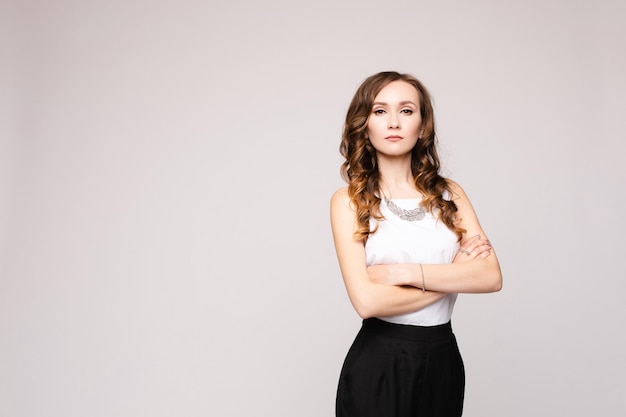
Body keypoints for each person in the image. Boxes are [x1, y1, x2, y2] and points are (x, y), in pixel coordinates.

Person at [330, 71, 502, 417]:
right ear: (365, 124)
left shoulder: (449, 194)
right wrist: (452, 276)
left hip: (442, 359)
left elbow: (489, 277)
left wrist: (403, 273)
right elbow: (366, 302)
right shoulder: (348, 200)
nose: (393, 122)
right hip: (379, 362)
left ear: (423, 126)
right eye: (380, 111)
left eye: (406, 111)